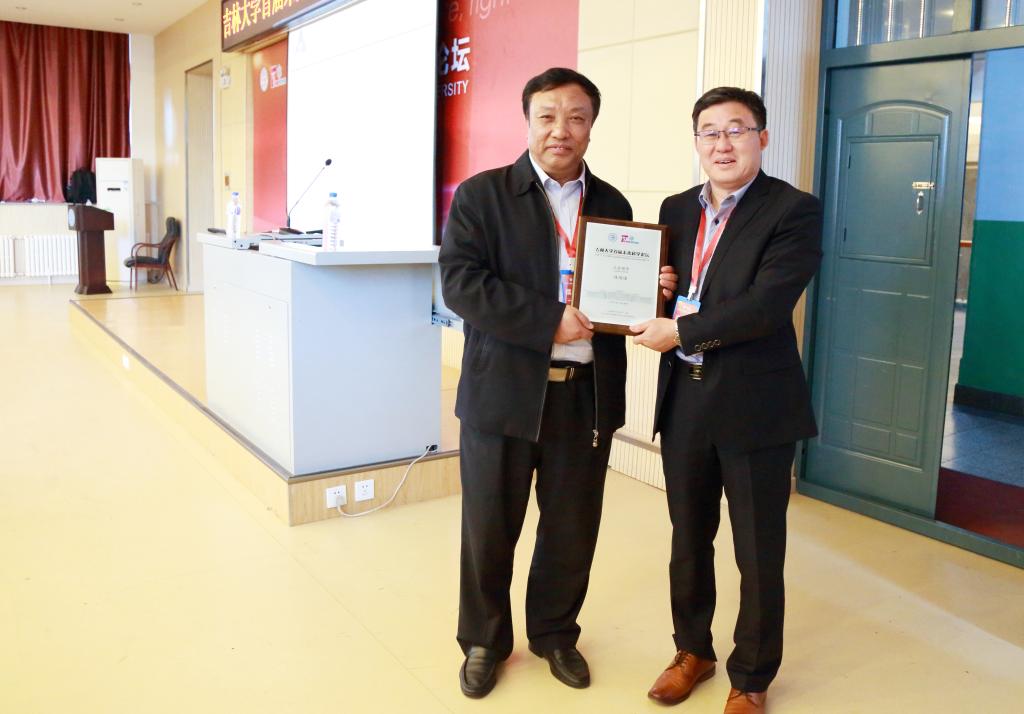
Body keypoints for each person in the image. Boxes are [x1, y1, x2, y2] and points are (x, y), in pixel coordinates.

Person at [439, 67, 677, 699]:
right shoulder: (484, 195)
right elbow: (461, 283)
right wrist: (547, 319)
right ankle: (485, 640)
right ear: (528, 122)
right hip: (503, 393)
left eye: (576, 117)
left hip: (584, 396)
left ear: (592, 126)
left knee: (571, 527)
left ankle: (554, 633)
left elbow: (621, 293)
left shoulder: (613, 205)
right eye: (547, 116)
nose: (560, 130)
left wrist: (650, 291)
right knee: (489, 526)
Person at [629, 86, 823, 714]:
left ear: (762, 138)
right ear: (696, 142)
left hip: (755, 407)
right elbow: (679, 290)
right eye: (709, 132)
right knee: (689, 538)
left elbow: (766, 305)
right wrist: (659, 290)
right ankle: (693, 651)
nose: (722, 144)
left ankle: (752, 677)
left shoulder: (793, 210)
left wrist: (681, 329)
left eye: (736, 130)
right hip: (685, 400)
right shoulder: (676, 208)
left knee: (757, 551)